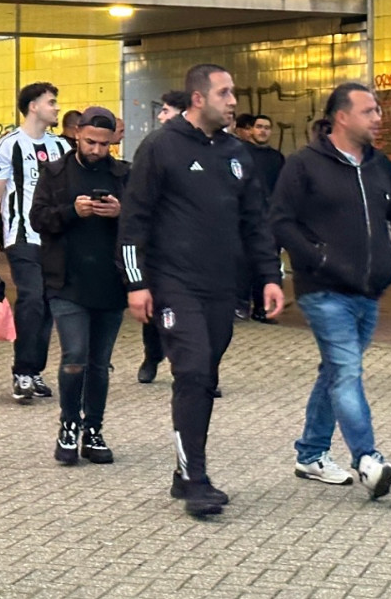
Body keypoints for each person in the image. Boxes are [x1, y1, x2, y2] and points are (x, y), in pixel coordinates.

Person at [118, 63, 283, 518]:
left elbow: (256, 224)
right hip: (173, 284)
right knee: (190, 372)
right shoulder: (161, 147)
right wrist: (137, 284)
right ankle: (195, 479)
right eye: (225, 93)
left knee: (204, 378)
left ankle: (183, 470)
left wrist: (270, 276)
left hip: (221, 289)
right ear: (198, 99)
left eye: (233, 94)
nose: (233, 102)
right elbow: (134, 221)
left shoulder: (237, 153)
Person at [270, 83, 391, 498]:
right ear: (342, 117)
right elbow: (281, 220)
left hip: (369, 290)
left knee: (335, 372)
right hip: (323, 290)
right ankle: (368, 460)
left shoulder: (379, 164)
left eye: (378, 110)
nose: (378, 117)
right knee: (347, 371)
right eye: (369, 110)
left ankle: (311, 454)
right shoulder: (304, 165)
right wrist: (317, 259)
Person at [32, 107, 131, 466]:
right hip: (66, 282)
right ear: (76, 134)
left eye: (105, 144)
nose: (98, 150)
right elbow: (38, 219)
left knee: (100, 364)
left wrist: (122, 213)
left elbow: (145, 221)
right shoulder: (55, 172)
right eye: (91, 141)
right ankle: (68, 426)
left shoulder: (124, 174)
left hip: (110, 283)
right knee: (75, 356)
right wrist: (73, 211)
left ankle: (94, 430)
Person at [0, 82, 71, 404]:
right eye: (52, 102)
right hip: (21, 237)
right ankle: (22, 371)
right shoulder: (7, 146)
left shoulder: (61, 147)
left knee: (48, 304)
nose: (57, 108)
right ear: (33, 106)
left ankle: (35, 370)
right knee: (31, 299)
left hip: (54, 240)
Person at [138, 89, 191, 384]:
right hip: (161, 244)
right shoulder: (154, 146)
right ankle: (152, 355)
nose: (160, 116)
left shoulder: (209, 147)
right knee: (158, 307)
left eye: (166, 110)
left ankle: (197, 368)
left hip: (197, 247)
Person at [242, 113, 290, 324]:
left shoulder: (276, 158)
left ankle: (262, 309)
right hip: (245, 218)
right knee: (243, 264)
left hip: (270, 219)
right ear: (250, 129)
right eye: (259, 127)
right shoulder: (240, 153)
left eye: (267, 127)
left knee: (267, 263)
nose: (263, 131)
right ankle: (240, 306)